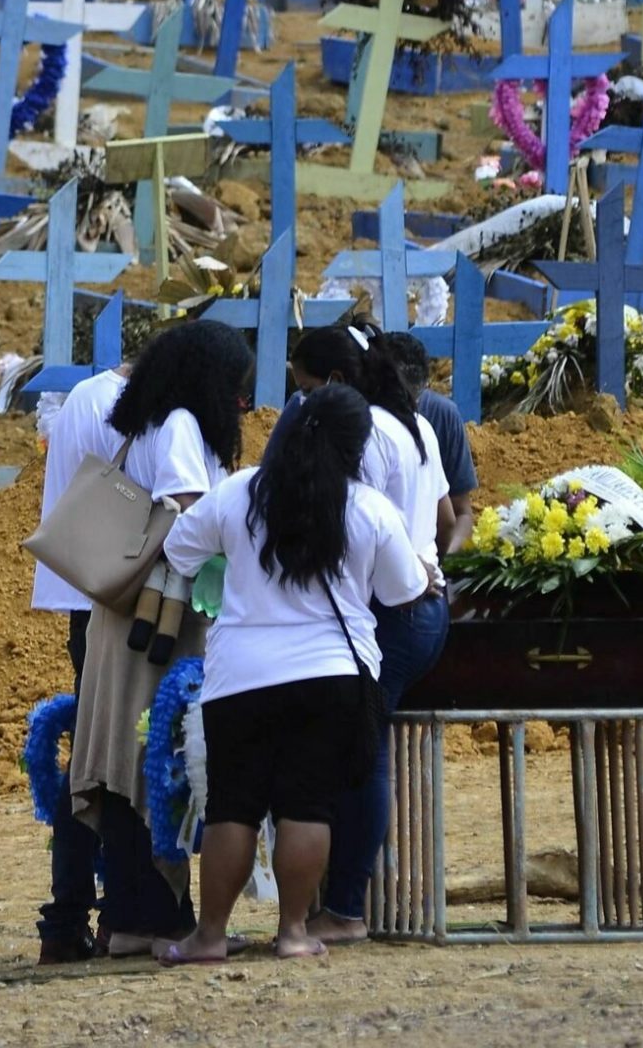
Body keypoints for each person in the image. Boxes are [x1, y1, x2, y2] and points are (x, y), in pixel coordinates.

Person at [156, 383, 426, 962]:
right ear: (357, 447)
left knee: (233, 805)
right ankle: (294, 931)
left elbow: (179, 551)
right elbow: (404, 589)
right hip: (332, 675)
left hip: (240, 675)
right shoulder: (368, 506)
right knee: (308, 805)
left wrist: (238, 555)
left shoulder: (238, 492)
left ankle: (208, 936)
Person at [66, 319, 252, 957]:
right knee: (153, 765)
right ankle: (154, 916)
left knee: (130, 763)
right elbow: (190, 519)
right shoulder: (179, 426)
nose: (240, 401)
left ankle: (128, 916)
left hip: (125, 617)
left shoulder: (147, 421)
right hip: (158, 625)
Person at [284, 327, 455, 945]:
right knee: (361, 751)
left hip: (392, 610)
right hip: (425, 603)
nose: (302, 405)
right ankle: (343, 899)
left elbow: (357, 529)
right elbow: (440, 517)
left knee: (363, 758)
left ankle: (347, 907)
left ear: (337, 382)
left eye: (306, 391)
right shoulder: (416, 425)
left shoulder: (363, 434)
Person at [30, 356, 131, 965]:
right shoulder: (125, 409)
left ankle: (68, 915)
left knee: (90, 760)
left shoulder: (85, 398)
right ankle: (105, 914)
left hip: (83, 595)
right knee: (108, 763)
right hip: (113, 600)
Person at [371, 330, 478, 553]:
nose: (403, 410)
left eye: (412, 399)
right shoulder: (365, 423)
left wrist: (447, 561)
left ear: (426, 385)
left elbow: (461, 514)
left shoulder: (439, 418)